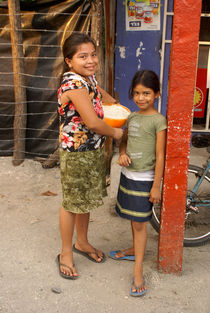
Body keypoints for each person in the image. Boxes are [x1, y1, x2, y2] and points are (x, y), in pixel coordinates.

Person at [57, 32, 123, 279]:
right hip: (75, 154)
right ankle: (66, 252)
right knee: (71, 203)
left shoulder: (87, 78)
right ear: (69, 61)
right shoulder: (73, 84)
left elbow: (97, 91)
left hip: (91, 150)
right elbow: (93, 123)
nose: (90, 60)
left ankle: (82, 242)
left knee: (83, 200)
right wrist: (116, 134)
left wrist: (113, 101)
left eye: (93, 54)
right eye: (82, 56)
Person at [109, 70, 167, 296]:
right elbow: (123, 142)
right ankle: (134, 250)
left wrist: (156, 186)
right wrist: (121, 154)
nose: (141, 98)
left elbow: (160, 156)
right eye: (136, 93)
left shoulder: (159, 121)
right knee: (134, 221)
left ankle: (138, 270)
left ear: (157, 94)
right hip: (128, 177)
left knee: (141, 224)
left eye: (147, 93)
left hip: (145, 180)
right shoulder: (131, 117)